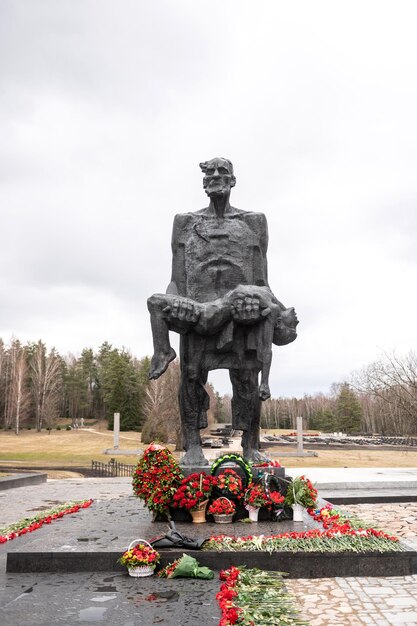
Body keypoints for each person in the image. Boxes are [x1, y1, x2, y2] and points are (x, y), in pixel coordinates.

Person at [148, 157, 298, 465]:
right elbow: (177, 279)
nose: (215, 176)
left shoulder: (253, 221)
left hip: (242, 316)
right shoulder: (184, 221)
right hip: (198, 310)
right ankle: (192, 446)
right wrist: (174, 309)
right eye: (209, 172)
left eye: (222, 171)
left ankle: (251, 446)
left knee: (247, 380)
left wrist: (277, 311)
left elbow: (261, 280)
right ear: (203, 181)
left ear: (232, 180)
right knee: (190, 376)